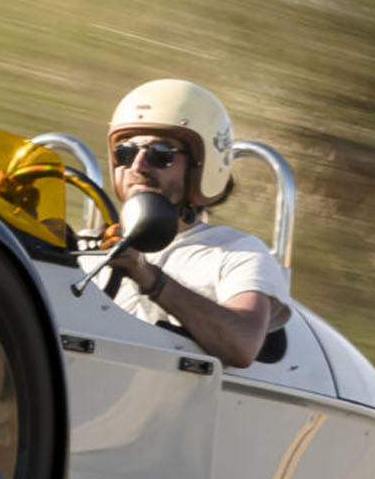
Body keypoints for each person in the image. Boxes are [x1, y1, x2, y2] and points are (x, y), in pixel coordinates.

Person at [101, 79, 291, 369]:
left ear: (202, 166)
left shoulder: (237, 253)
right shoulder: (89, 246)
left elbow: (242, 345)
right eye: (125, 153)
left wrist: (149, 277)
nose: (137, 166)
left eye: (160, 154)